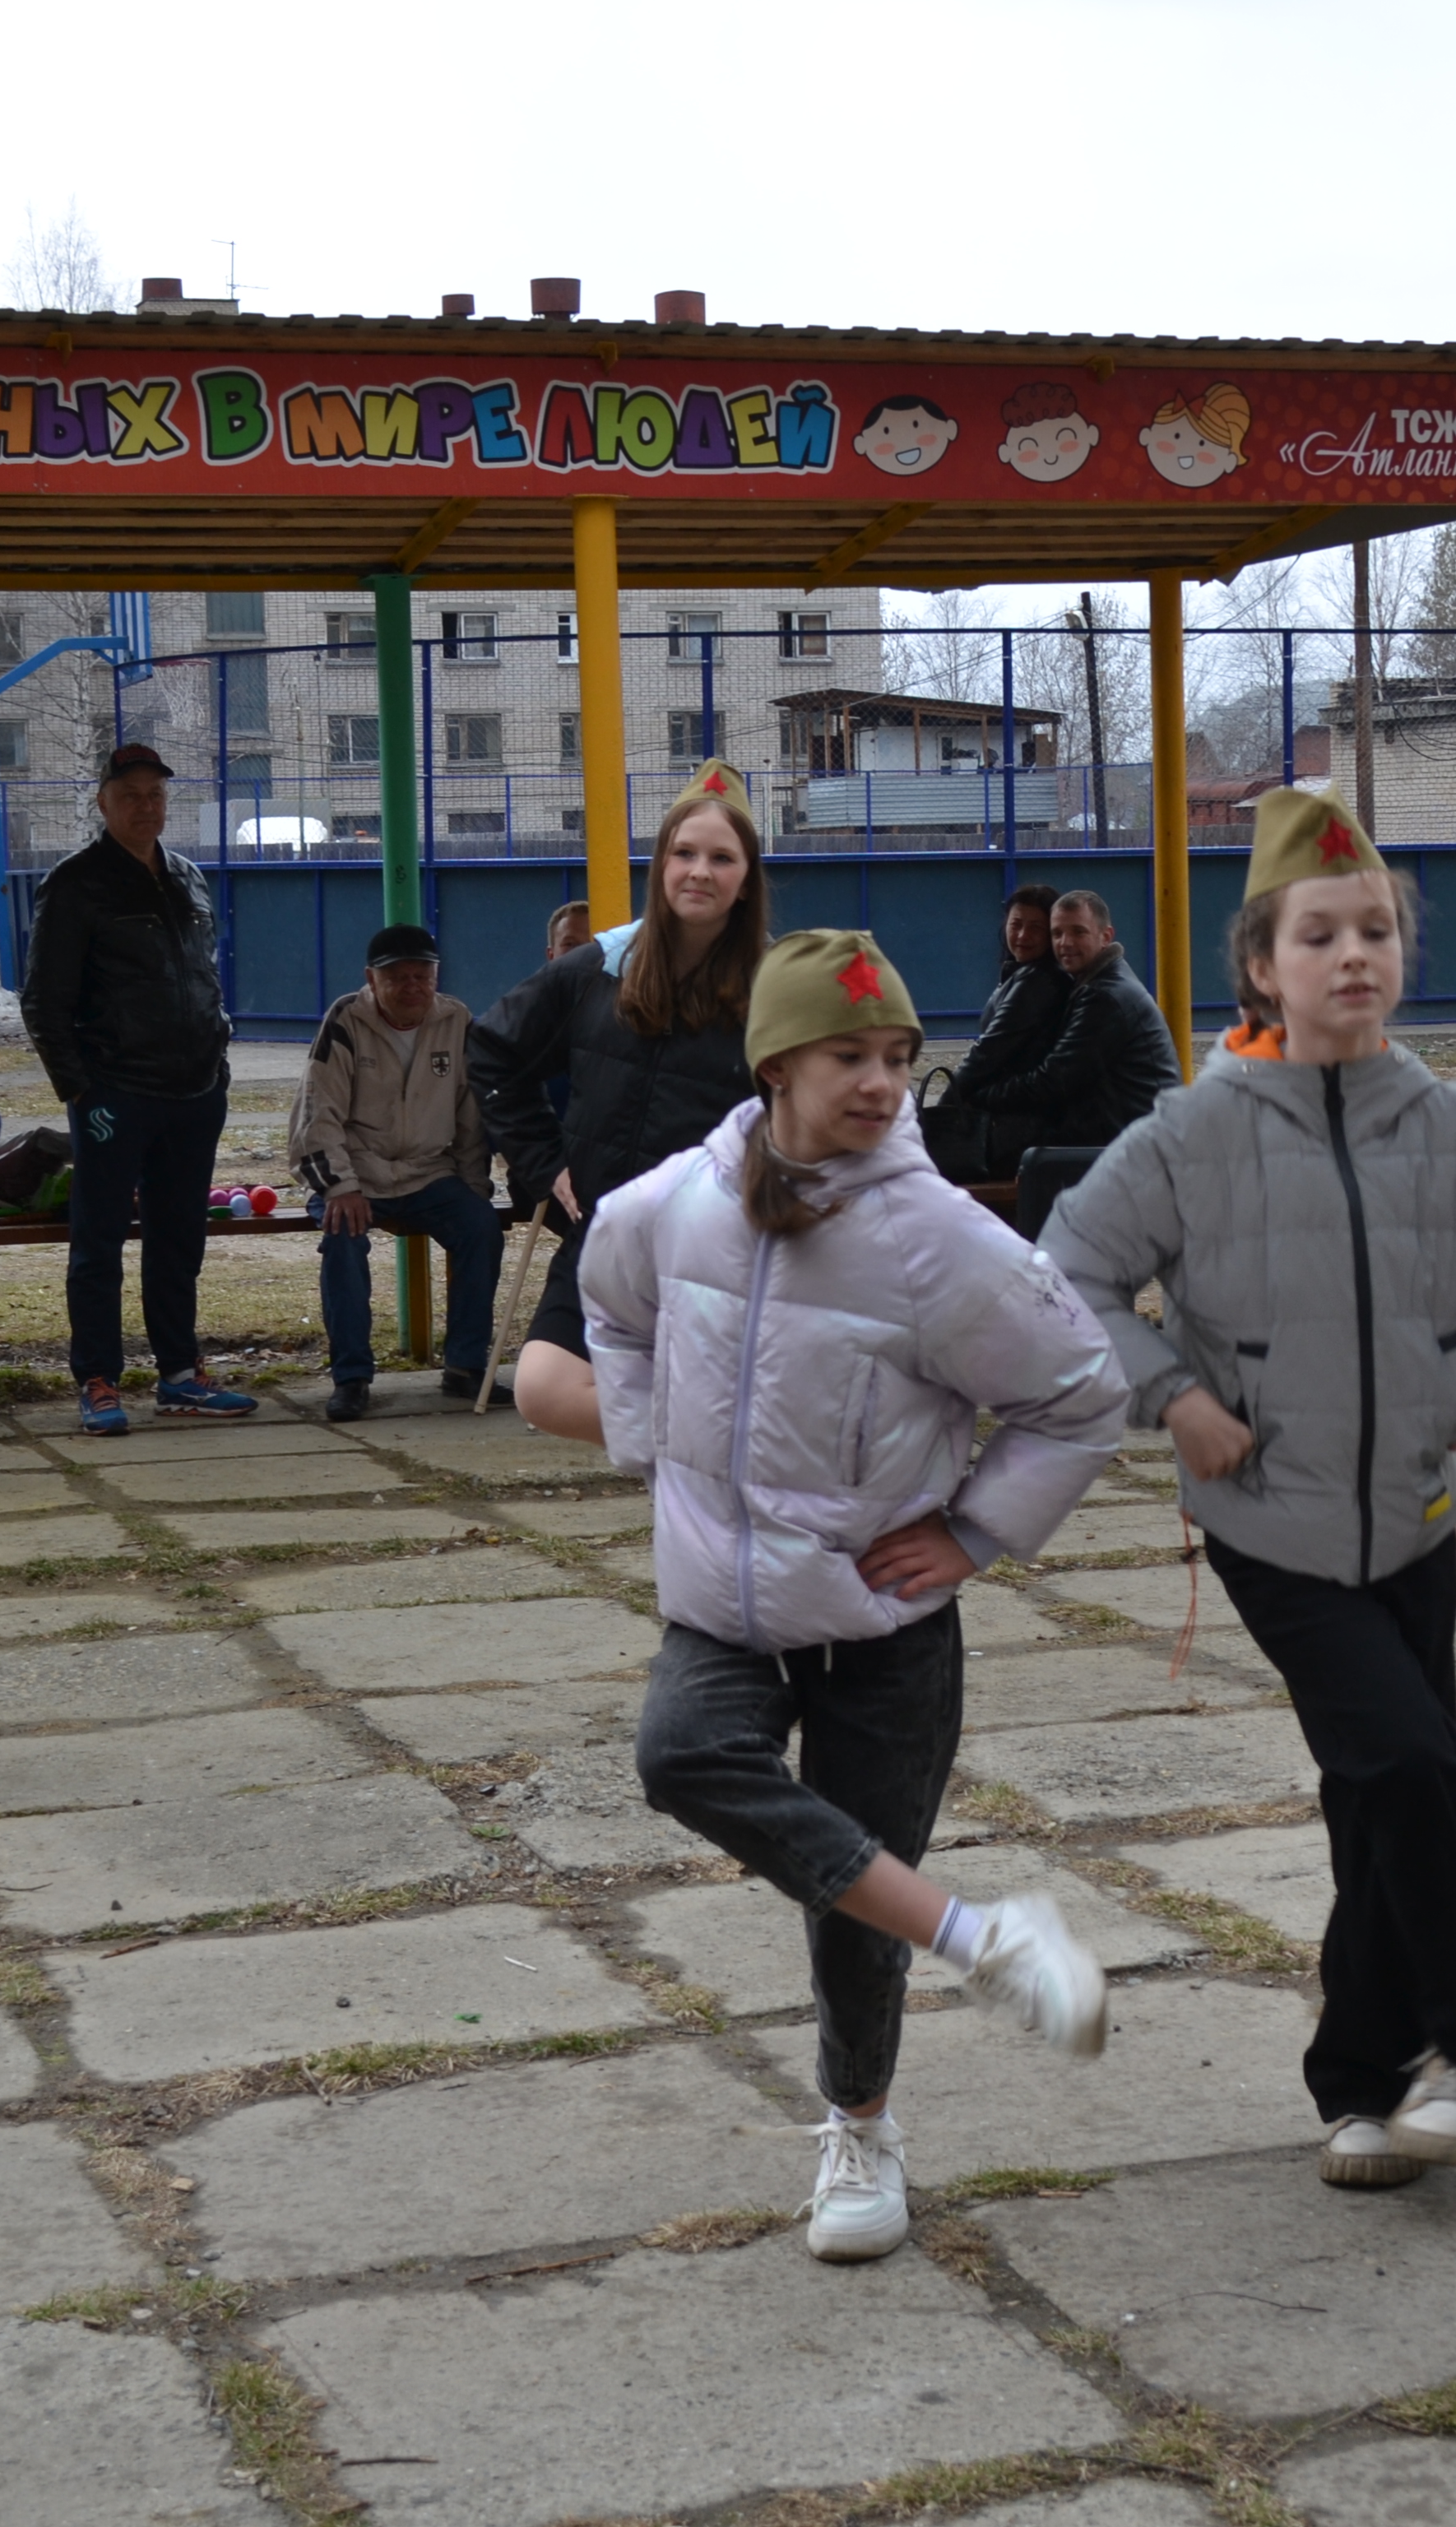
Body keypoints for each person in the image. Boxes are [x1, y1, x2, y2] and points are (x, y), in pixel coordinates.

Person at [1043, 791, 1456, 2189]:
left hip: (1413, 1516)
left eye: (1375, 931)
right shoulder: (1190, 1132)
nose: (1352, 954)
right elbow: (1065, 1274)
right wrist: (1171, 1395)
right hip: (1269, 1522)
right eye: (1318, 933)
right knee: (1417, 1768)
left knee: (1375, 1800)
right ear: (1260, 966)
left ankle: (1357, 2082)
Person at [596, 929, 1129, 2263]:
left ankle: (861, 2132)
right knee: (678, 1752)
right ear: (774, 1063)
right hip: (722, 1603)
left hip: (885, 1623)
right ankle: (979, 1933)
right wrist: (647, 1438)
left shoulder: (938, 1241)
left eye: (898, 1055)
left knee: (849, 1911)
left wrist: (970, 1533)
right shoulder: (674, 1201)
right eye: (849, 1056)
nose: (883, 1082)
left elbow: (1080, 1398)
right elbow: (609, 1305)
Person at [466, 762, 769, 1444]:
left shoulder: (776, 985)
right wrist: (543, 1163)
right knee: (543, 1390)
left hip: (718, 1257)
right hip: (606, 1241)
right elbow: (491, 1051)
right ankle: (729, 1434)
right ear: (660, 865)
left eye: (723, 858)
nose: (699, 871)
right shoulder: (597, 967)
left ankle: (729, 1446)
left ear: (747, 879)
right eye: (684, 853)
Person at [19, 741, 256, 1436]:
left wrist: (219, 1057)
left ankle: (180, 1374)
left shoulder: (188, 877)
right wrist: (82, 1094)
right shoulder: (75, 884)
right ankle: (96, 1378)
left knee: (179, 1238)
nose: (145, 807)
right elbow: (44, 1002)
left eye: (155, 795)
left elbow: (201, 975)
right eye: (130, 796)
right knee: (98, 1242)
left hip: (195, 1091)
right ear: (103, 802)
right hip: (115, 1095)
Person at [288, 925, 503, 1420]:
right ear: (371, 980)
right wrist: (340, 1186)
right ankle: (352, 1377)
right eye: (398, 977)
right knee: (342, 1239)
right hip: (355, 1172)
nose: (413, 987)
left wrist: (474, 1188)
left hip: (429, 1173)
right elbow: (317, 1115)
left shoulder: (457, 1019)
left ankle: (466, 1367)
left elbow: (472, 1118)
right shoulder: (345, 1019)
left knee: (481, 1229)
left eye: (422, 975)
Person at [962, 889, 1180, 1234]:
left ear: (1106, 936)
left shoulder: (1104, 996)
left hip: (1123, 1143)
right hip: (1123, 1133)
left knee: (985, 1154)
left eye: (1078, 932)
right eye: (1058, 933)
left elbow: (1053, 1081)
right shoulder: (1095, 984)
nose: (1065, 943)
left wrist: (979, 1096)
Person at [922, 883, 1067, 1184]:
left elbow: (987, 1054)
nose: (1023, 936)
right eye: (1016, 925)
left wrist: (944, 1111)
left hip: (1012, 1131)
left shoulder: (1038, 982)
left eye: (1036, 928)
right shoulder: (1026, 974)